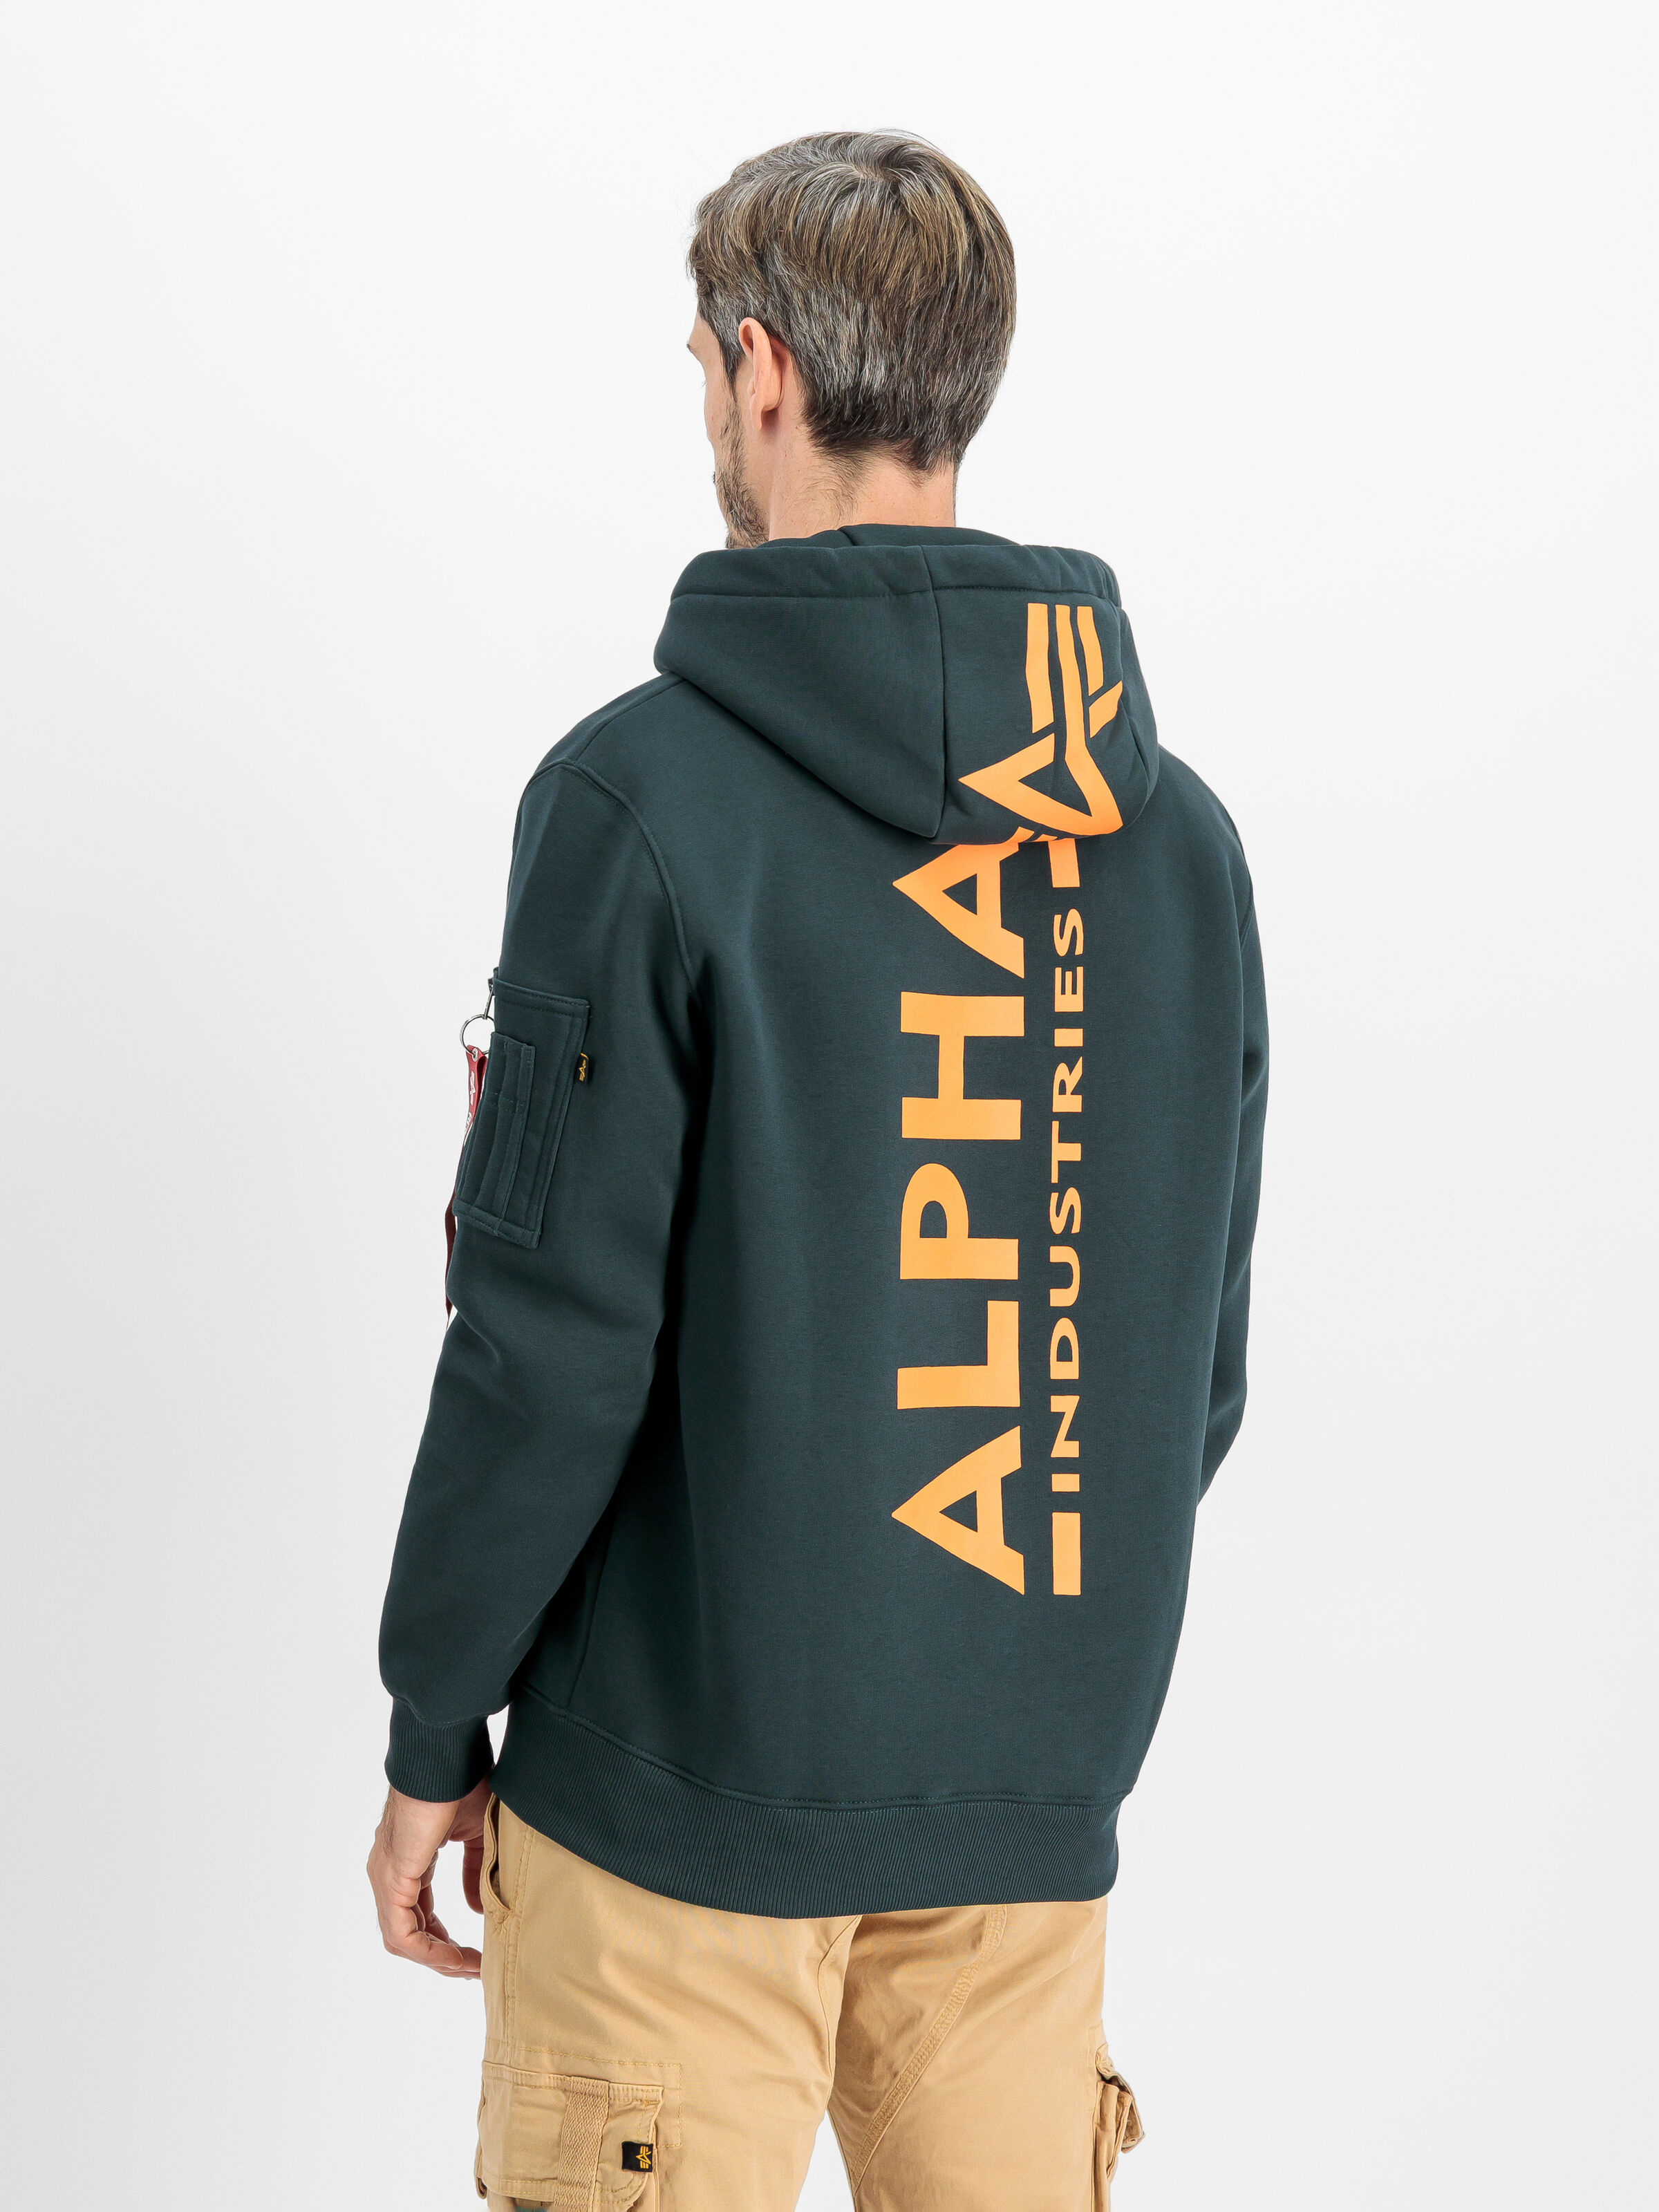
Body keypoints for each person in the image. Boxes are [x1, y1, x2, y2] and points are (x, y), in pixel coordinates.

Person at [367, 130, 1266, 2212]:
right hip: (1024, 1820)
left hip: (674, 1810)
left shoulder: (638, 799)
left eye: (701, 365)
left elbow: (546, 1351)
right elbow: (1186, 1372)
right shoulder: (1176, 845)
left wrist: (434, 1727)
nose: (706, 401)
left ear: (759, 369)